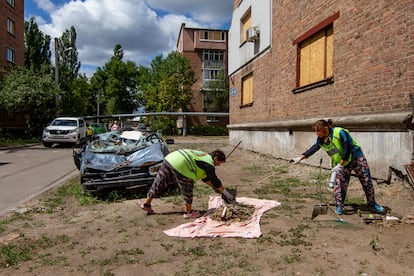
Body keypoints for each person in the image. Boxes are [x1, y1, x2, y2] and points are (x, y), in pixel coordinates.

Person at [289, 119, 385, 215]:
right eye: (315, 131)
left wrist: (340, 164)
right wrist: (300, 158)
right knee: (340, 185)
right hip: (342, 163)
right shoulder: (321, 139)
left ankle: (372, 203)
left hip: (356, 158)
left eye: (317, 131)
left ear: (325, 129)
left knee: (366, 181)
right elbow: (314, 148)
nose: (316, 133)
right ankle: (339, 206)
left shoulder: (340, 132)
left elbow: (347, 148)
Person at [141, 149, 236, 218]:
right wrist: (225, 192)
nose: (218, 165)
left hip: (170, 159)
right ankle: (189, 212)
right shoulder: (209, 163)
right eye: (219, 162)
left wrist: (216, 189)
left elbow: (206, 179)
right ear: (215, 158)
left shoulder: (203, 156)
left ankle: (147, 204)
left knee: (159, 183)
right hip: (181, 164)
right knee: (187, 187)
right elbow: (214, 179)